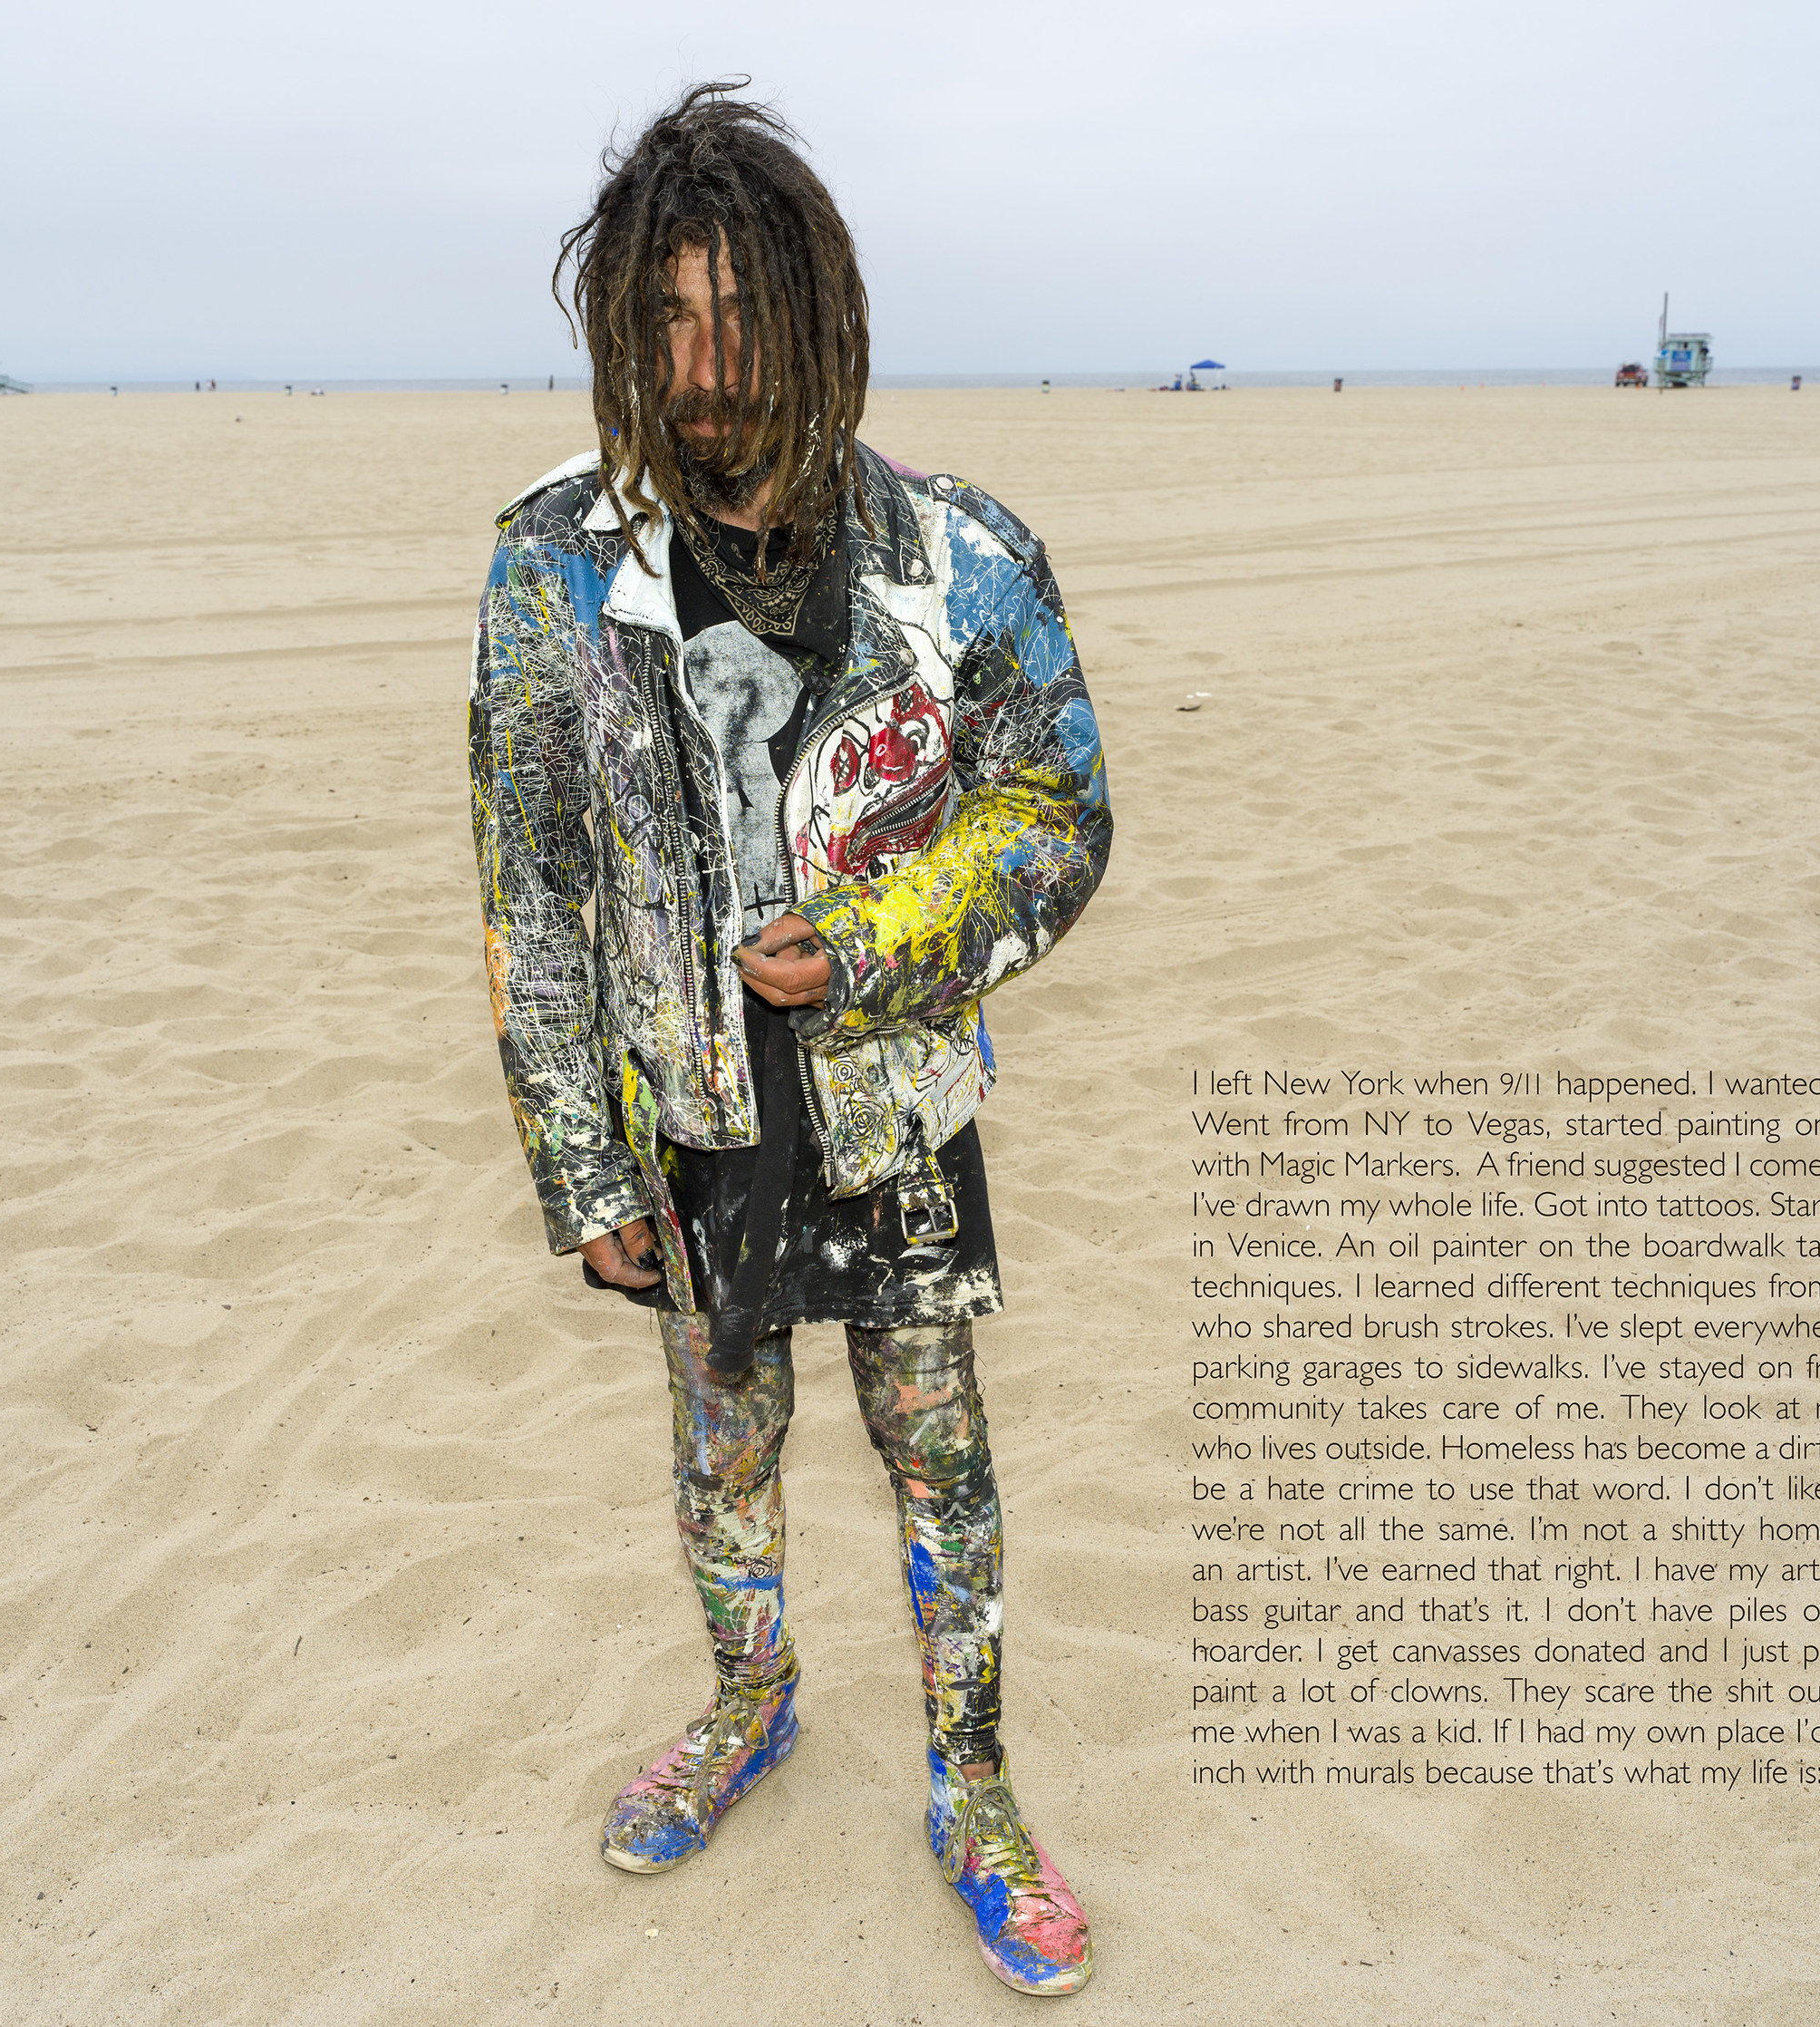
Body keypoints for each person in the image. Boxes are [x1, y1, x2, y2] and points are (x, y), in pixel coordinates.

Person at [468, 82, 1109, 1997]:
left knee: (942, 1460)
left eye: (739, 316)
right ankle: (750, 1703)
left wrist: (884, 936)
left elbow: (1060, 810)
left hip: (893, 1104)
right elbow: (535, 892)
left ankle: (975, 1788)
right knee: (721, 1455)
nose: (706, 367)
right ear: (615, 338)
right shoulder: (551, 571)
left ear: (819, 314)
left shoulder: (961, 558)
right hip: (683, 1116)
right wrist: (582, 1165)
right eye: (663, 323)